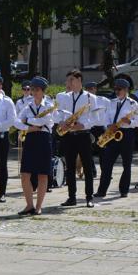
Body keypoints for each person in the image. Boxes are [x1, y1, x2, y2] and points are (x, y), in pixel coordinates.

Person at [55, 69, 97, 208]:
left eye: (71, 80)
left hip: (83, 135)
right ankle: (71, 197)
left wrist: (83, 125)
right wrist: (61, 122)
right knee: (70, 167)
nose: (68, 83)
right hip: (69, 136)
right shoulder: (65, 97)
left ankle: (89, 197)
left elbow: (96, 118)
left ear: (79, 80)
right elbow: (58, 114)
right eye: (68, 80)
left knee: (87, 167)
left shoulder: (91, 98)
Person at [94, 79, 138, 198]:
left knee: (127, 164)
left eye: (119, 89)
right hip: (112, 133)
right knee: (107, 163)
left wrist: (129, 121)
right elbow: (106, 117)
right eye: (115, 89)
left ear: (126, 90)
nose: (116, 91)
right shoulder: (111, 102)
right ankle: (102, 190)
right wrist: (109, 125)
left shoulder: (133, 104)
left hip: (126, 134)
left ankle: (124, 190)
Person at [15, 77, 56, 215]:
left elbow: (45, 121)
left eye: (37, 90)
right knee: (25, 174)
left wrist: (28, 121)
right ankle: (29, 205)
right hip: (31, 138)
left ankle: (38, 206)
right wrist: (29, 127)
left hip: (44, 139)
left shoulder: (49, 105)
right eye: (32, 89)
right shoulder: (28, 105)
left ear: (43, 91)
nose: (34, 92)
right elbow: (16, 122)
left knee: (42, 175)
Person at [85, 81, 110, 178]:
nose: (90, 91)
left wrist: (107, 126)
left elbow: (110, 113)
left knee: (103, 152)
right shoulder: (84, 100)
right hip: (89, 128)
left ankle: (105, 173)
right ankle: (92, 172)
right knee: (88, 151)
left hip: (101, 128)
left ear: (95, 89)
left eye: (92, 89)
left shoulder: (104, 100)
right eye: (88, 89)